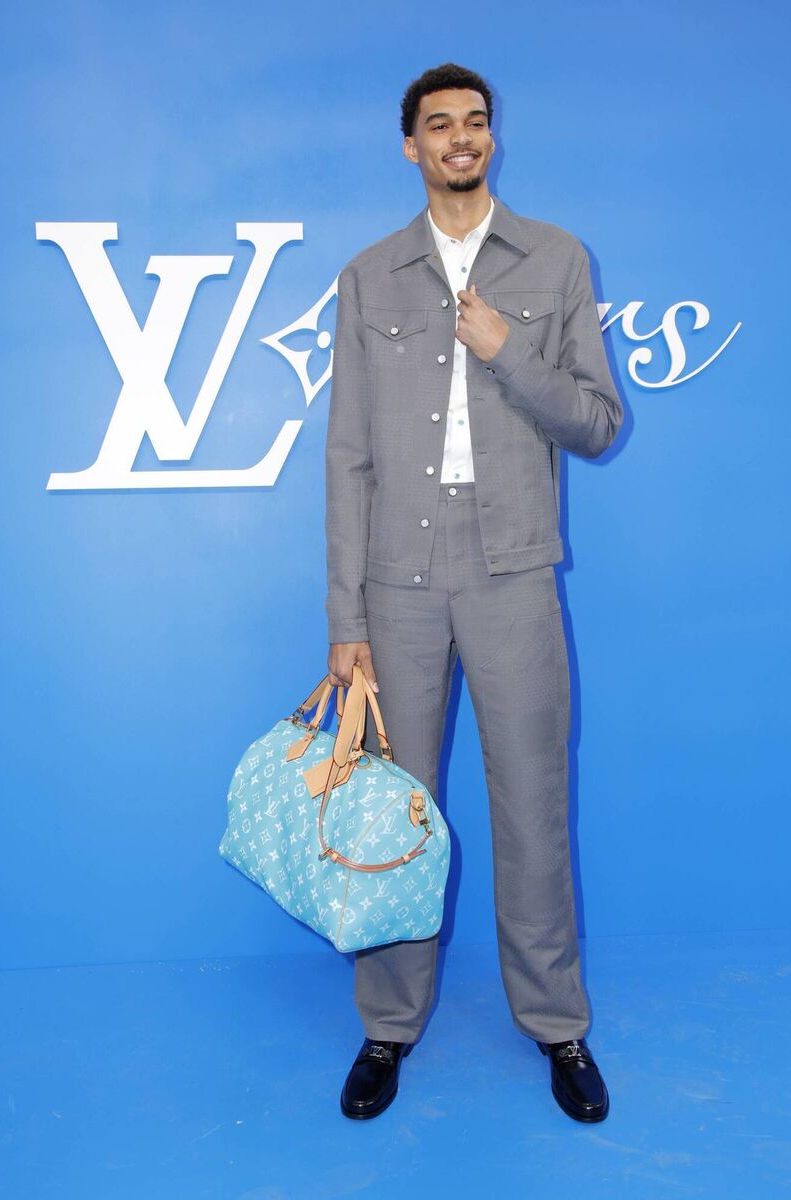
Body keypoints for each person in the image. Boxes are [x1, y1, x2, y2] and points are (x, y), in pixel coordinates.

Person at [324, 61, 623, 1122]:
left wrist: (507, 354)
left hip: (512, 571)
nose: (460, 137)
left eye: (476, 123)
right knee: (392, 815)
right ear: (410, 145)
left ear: (490, 140)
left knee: (532, 808)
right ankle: (386, 1027)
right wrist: (345, 624)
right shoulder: (367, 276)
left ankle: (556, 1026)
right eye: (439, 124)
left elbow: (596, 422)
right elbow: (346, 459)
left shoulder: (554, 259)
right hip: (396, 583)